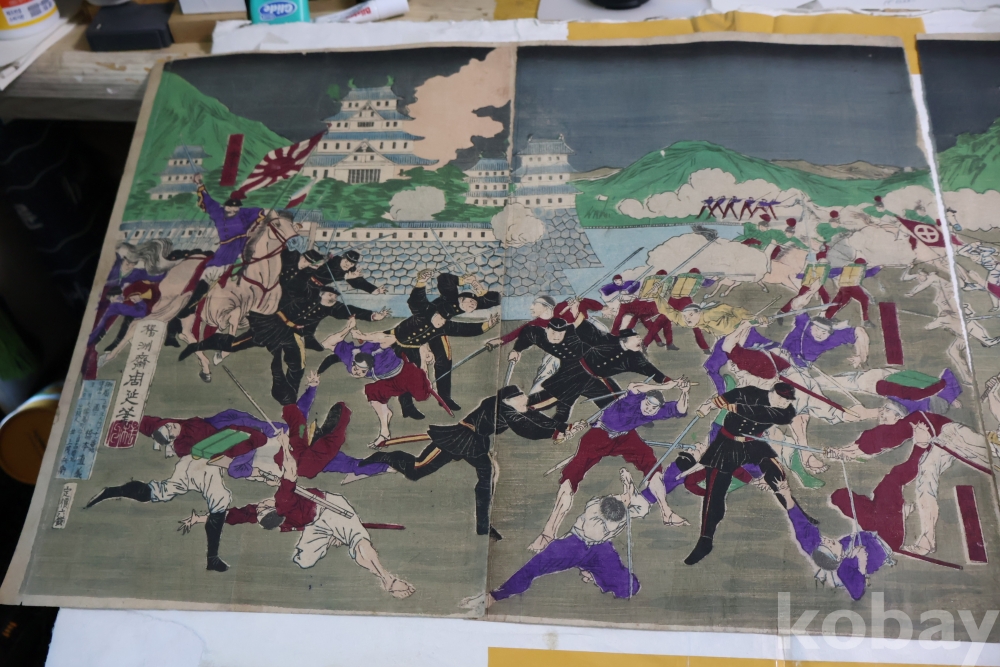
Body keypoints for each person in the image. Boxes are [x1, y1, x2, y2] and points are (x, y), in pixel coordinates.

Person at [181, 404, 414, 598]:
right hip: (314, 523)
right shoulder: (276, 504)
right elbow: (235, 515)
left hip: (331, 510)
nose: (259, 505)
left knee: (358, 541)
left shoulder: (282, 499)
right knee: (303, 560)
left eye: (260, 507)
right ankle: (333, 537)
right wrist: (200, 518)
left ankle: (386, 578)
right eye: (261, 508)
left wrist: (284, 445)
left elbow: (290, 470)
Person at [362, 386, 581, 540]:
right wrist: (555, 433)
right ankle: (385, 457)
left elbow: (534, 417)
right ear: (510, 400)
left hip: (476, 443)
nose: (526, 402)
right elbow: (526, 428)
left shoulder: (511, 408)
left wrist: (564, 427)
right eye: (521, 399)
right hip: (458, 438)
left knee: (486, 477)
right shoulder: (501, 408)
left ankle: (483, 527)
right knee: (417, 469)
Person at [85, 407, 272, 572]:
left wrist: (126, 420)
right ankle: (212, 558)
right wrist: (256, 440)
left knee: (161, 491)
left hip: (190, 465)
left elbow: (144, 422)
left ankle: (111, 491)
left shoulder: (173, 424)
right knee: (220, 501)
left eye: (168, 426)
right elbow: (229, 450)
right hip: (202, 465)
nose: (171, 426)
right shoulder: (191, 440)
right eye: (170, 431)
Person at [529, 379, 690, 553]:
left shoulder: (654, 411)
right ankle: (548, 532)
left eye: (653, 408)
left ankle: (666, 512)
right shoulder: (633, 400)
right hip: (600, 435)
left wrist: (684, 392)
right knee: (572, 475)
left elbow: (680, 409)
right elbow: (634, 387)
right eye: (647, 405)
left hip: (625, 437)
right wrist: (665, 386)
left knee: (651, 464)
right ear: (643, 400)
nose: (649, 410)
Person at [466, 468, 647, 609]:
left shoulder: (625, 509)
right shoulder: (594, 507)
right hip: (575, 544)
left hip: (600, 550)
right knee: (534, 567)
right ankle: (493, 597)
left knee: (630, 588)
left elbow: (640, 503)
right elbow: (594, 531)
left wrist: (628, 486)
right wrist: (628, 490)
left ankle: (593, 572)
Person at [826, 400, 989, 555]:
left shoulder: (914, 420)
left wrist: (846, 452)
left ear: (898, 415)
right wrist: (844, 452)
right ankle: (928, 539)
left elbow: (881, 440)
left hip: (950, 433)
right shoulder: (897, 430)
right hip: (937, 446)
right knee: (925, 483)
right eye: (881, 413)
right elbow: (876, 443)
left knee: (987, 451)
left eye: (886, 411)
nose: (881, 416)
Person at [183, 286, 388, 402]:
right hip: (274, 323)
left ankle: (289, 396)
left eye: (334, 296)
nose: (332, 298)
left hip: (293, 334)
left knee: (298, 364)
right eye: (329, 294)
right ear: (321, 293)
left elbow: (350, 310)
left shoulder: (331, 308)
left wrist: (373, 316)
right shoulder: (305, 294)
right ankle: (217, 350)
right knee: (246, 340)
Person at [685, 382, 798, 565]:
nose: (785, 403)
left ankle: (797, 514)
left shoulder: (787, 412)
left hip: (753, 444)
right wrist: (710, 404)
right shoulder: (751, 392)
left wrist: (733, 407)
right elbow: (733, 395)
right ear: (773, 393)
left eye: (788, 400)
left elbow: (762, 414)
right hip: (727, 443)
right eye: (782, 399)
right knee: (714, 493)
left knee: (776, 474)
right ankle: (705, 539)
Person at [375, 270, 500, 415]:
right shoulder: (451, 296)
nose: (473, 305)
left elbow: (494, 300)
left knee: (444, 361)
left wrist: (477, 286)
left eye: (475, 304)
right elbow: (443, 279)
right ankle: (407, 405)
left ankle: (444, 398)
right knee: (406, 369)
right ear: (461, 298)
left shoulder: (467, 307)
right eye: (471, 302)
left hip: (437, 330)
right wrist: (463, 280)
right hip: (418, 328)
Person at [318, 320, 447, 447]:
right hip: (387, 381)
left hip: (405, 373)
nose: (357, 373)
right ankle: (385, 431)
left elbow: (391, 338)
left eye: (362, 371)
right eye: (356, 369)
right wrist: (347, 328)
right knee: (373, 392)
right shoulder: (348, 354)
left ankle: (423, 353)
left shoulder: (373, 349)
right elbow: (327, 342)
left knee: (422, 396)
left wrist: (363, 336)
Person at [528, 327, 670, 424]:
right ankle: (526, 409)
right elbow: (586, 329)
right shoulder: (607, 339)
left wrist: (666, 380)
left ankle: (631, 419)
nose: (640, 339)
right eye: (636, 337)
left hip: (595, 379)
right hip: (576, 370)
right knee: (553, 399)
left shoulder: (635, 357)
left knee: (614, 402)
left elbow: (649, 369)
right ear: (624, 339)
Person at [778, 479, 892, 601]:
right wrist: (861, 563)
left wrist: (787, 497)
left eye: (824, 542)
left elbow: (801, 525)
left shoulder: (817, 549)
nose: (826, 540)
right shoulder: (844, 569)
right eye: (830, 545)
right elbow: (857, 593)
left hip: (870, 531)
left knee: (840, 497)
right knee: (888, 489)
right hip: (886, 541)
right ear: (837, 558)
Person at [824, 258, 881, 325]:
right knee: (864, 299)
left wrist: (825, 273)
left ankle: (827, 317)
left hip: (845, 287)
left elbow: (833, 272)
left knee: (839, 302)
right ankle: (865, 320)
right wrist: (878, 268)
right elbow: (869, 273)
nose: (864, 266)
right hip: (852, 287)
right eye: (864, 265)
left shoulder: (848, 269)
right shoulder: (858, 270)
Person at [320, 249, 387, 295]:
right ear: (342, 258)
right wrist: (346, 276)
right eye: (346, 261)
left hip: (320, 287)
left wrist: (373, 289)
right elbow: (326, 274)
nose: (347, 265)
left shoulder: (351, 269)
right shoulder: (333, 260)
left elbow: (359, 282)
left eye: (351, 264)